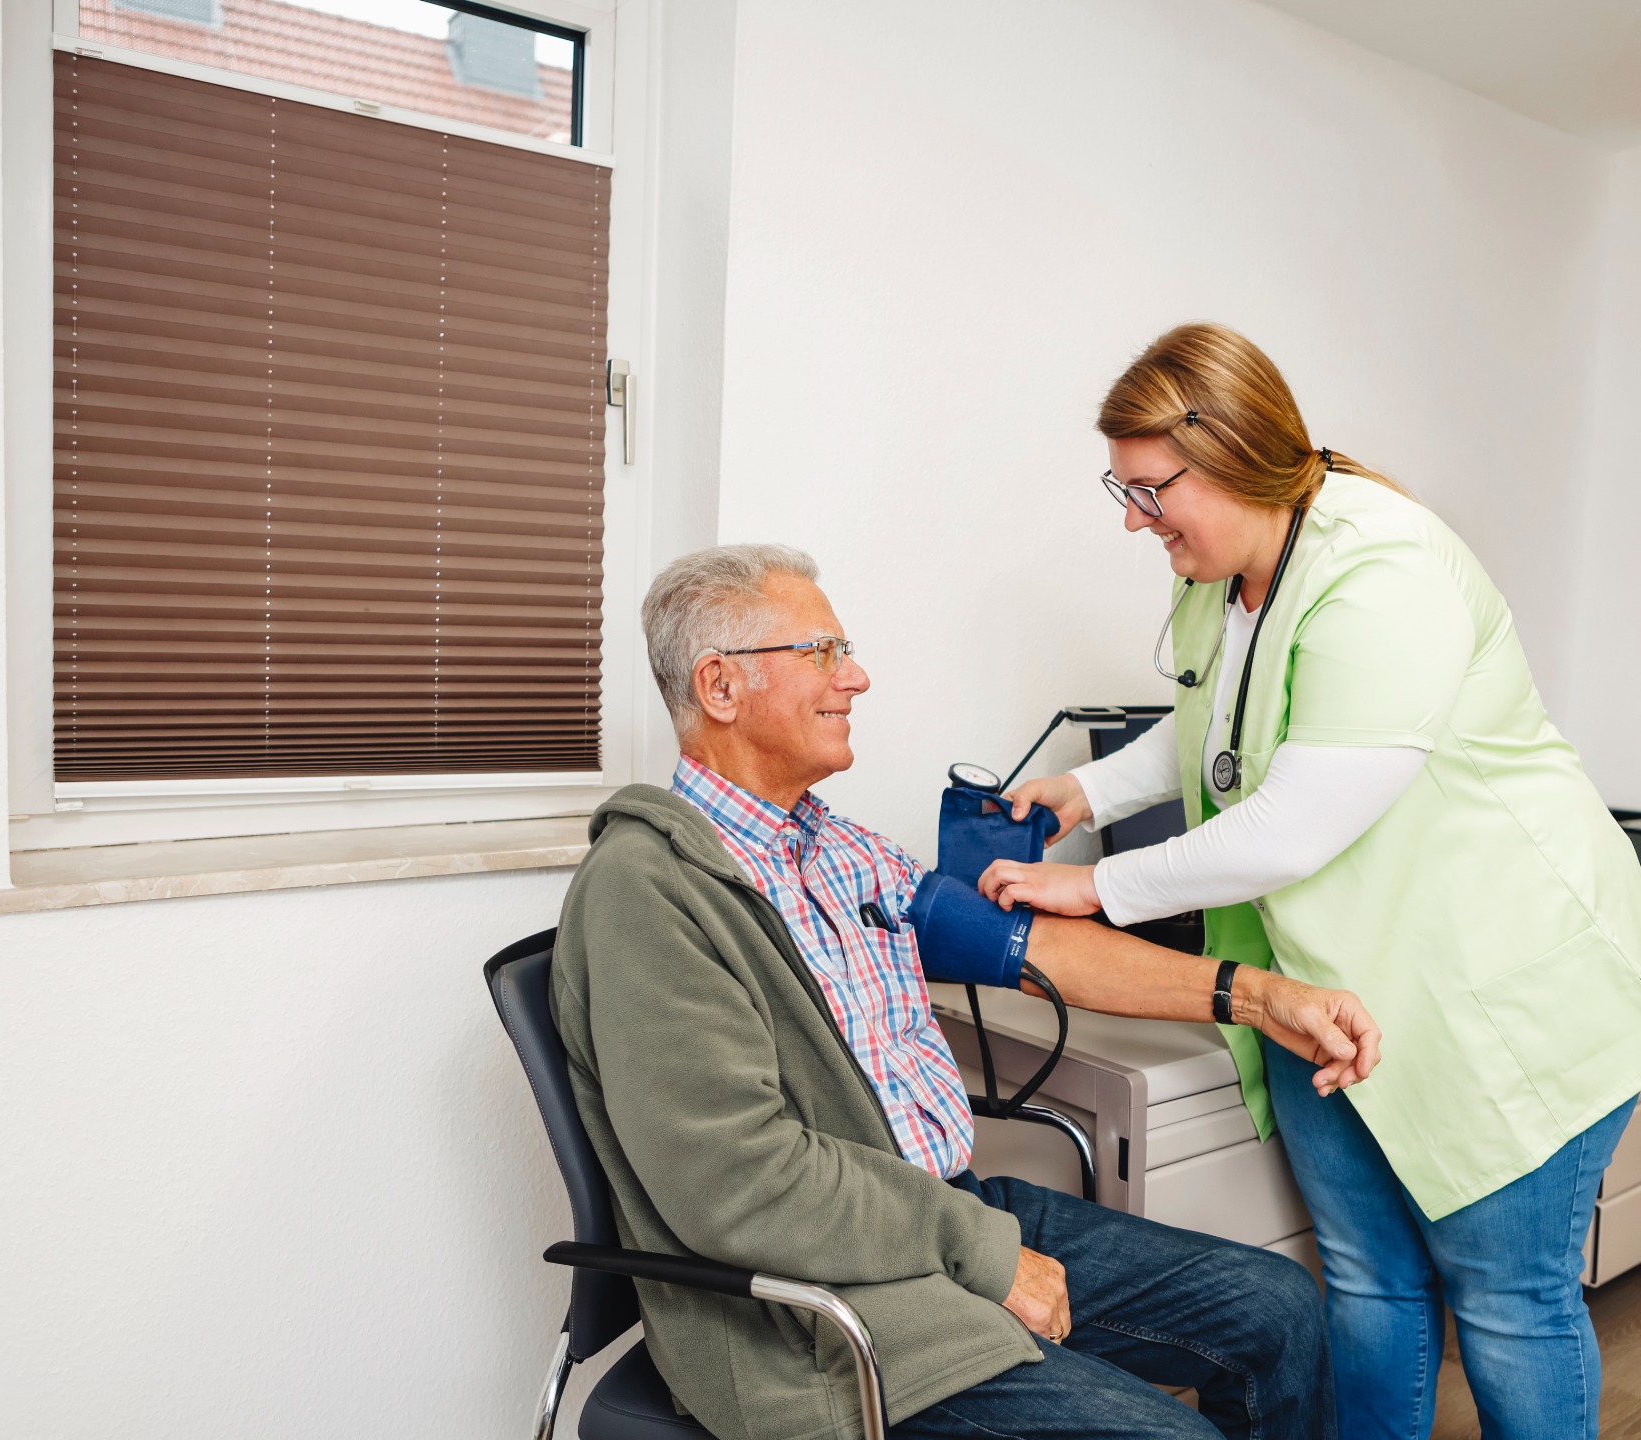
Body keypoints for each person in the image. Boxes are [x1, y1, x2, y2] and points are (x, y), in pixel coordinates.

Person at [978, 322, 1641, 1440]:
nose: (1133, 519)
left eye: (1151, 491)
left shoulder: (1384, 572)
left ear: (1233, 457)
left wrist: (1096, 889)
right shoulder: (1222, 572)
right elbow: (1214, 721)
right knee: (1367, 1281)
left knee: (1508, 1304)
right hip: (1332, 993)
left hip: (1499, 989)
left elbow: (1291, 825)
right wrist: (1085, 793)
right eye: (1124, 489)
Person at [550, 542, 1382, 1440]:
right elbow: (740, 1185)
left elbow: (1039, 949)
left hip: (939, 1215)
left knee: (1279, 1309)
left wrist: (1258, 997)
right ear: (720, 686)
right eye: (822, 653)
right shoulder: (648, 893)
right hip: (817, 1310)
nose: (856, 677)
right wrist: (981, 1253)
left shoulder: (837, 850)